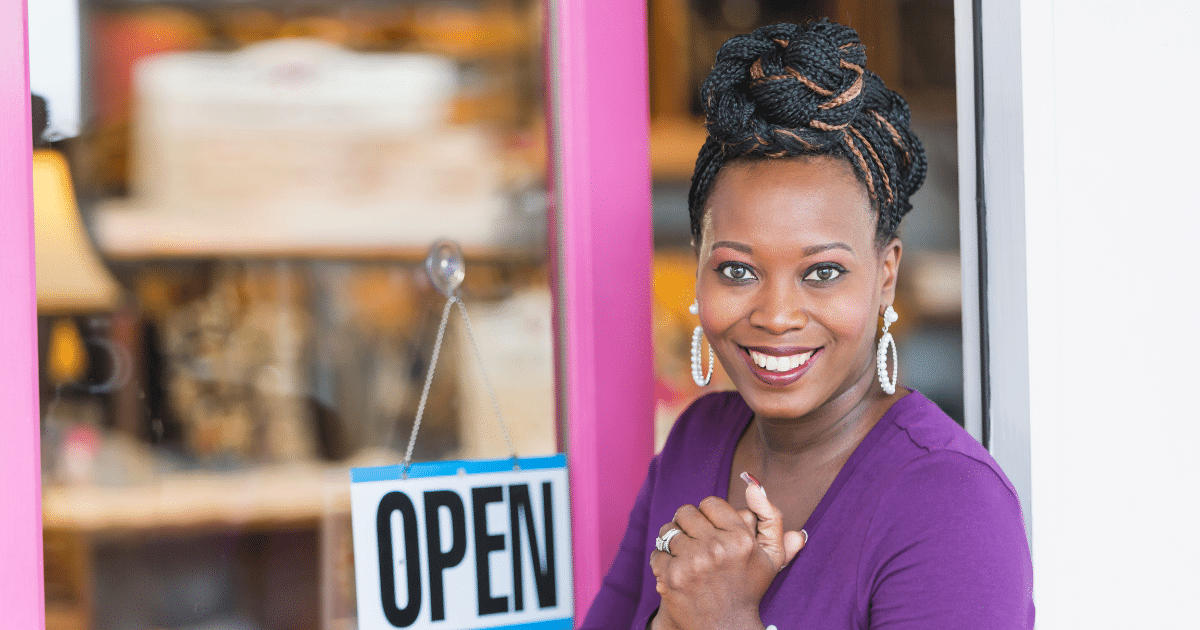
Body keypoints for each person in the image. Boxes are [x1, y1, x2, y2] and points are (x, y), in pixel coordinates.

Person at [581, 20, 1034, 630]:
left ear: (886, 276)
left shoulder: (949, 505)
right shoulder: (696, 443)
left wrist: (725, 618)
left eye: (822, 273)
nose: (775, 315)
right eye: (738, 271)